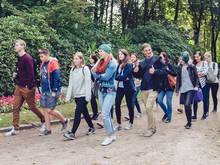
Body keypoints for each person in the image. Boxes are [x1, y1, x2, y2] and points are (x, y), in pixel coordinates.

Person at [5, 39, 45, 136]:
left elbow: (31, 73)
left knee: (32, 107)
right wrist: (16, 75)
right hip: (19, 86)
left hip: (27, 87)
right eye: (15, 45)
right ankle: (15, 128)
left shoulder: (27, 58)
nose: (15, 47)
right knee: (15, 107)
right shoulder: (20, 58)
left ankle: (44, 121)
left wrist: (29, 86)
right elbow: (22, 71)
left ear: (23, 46)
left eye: (17, 45)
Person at [133, 43, 164, 137]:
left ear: (151, 50)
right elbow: (138, 75)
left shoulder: (157, 59)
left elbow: (164, 72)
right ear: (143, 52)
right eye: (146, 50)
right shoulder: (142, 62)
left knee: (148, 107)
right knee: (148, 110)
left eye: (149, 50)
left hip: (154, 88)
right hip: (144, 88)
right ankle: (153, 128)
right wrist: (136, 69)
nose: (148, 52)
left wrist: (155, 71)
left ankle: (150, 129)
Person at [64, 52, 95, 140]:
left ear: (81, 59)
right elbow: (71, 84)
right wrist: (68, 96)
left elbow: (88, 83)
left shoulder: (85, 69)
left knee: (77, 113)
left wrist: (88, 97)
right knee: (84, 112)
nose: (75, 60)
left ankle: (72, 133)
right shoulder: (72, 70)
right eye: (74, 59)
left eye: (77, 59)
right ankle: (92, 127)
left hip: (84, 95)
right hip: (77, 96)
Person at [91, 44, 117, 146]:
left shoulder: (113, 63)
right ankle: (112, 134)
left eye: (101, 51)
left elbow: (105, 77)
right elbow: (95, 75)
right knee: (107, 114)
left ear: (106, 51)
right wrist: (96, 73)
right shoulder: (100, 62)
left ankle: (109, 136)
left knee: (105, 114)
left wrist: (96, 74)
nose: (99, 53)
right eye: (99, 51)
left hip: (110, 91)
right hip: (101, 90)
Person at [38, 49, 68, 136]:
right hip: (44, 89)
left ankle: (64, 120)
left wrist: (55, 90)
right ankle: (48, 129)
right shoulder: (43, 63)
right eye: (40, 56)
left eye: (42, 56)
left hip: (52, 90)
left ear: (47, 55)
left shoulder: (53, 63)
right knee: (44, 109)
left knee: (49, 110)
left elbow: (57, 77)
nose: (40, 58)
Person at [176, 51, 199, 129]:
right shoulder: (179, 67)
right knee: (186, 107)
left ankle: (189, 123)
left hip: (191, 88)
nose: (180, 61)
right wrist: (177, 90)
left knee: (187, 104)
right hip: (183, 89)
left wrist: (196, 86)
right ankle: (188, 122)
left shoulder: (192, 66)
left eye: (182, 59)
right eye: (180, 59)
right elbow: (178, 79)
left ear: (185, 59)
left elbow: (196, 77)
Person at [114, 49, 135, 131]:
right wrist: (122, 77)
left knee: (129, 105)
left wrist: (121, 77)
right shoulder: (119, 64)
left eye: (122, 54)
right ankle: (119, 124)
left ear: (125, 55)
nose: (120, 56)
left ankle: (131, 123)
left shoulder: (129, 65)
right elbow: (116, 76)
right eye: (119, 54)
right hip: (120, 88)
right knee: (117, 104)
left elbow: (123, 76)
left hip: (128, 88)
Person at [156, 52, 177, 123]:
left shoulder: (169, 65)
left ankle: (169, 118)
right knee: (159, 100)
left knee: (168, 102)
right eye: (159, 57)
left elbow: (175, 73)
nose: (160, 58)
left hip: (170, 86)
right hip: (162, 87)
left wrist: (167, 70)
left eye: (161, 57)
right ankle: (166, 113)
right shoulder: (158, 66)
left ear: (165, 57)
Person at [192, 51, 209, 120]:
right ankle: (195, 115)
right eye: (195, 57)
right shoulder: (194, 64)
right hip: (196, 84)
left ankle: (205, 113)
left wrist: (198, 74)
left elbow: (205, 72)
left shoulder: (204, 63)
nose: (196, 58)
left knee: (205, 99)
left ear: (200, 56)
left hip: (204, 84)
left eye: (197, 57)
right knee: (195, 99)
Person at [130, 53, 142, 118]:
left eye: (134, 57)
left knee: (133, 99)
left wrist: (137, 66)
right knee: (135, 99)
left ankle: (130, 114)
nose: (132, 58)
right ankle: (139, 112)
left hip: (138, 84)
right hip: (132, 84)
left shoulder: (139, 64)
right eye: (131, 57)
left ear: (136, 58)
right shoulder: (130, 64)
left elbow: (139, 73)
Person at [88, 54, 99, 120]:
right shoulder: (88, 66)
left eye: (91, 58)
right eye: (89, 58)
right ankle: (95, 113)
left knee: (97, 99)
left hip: (96, 83)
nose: (90, 59)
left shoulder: (97, 65)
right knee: (92, 99)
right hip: (90, 84)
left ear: (94, 59)